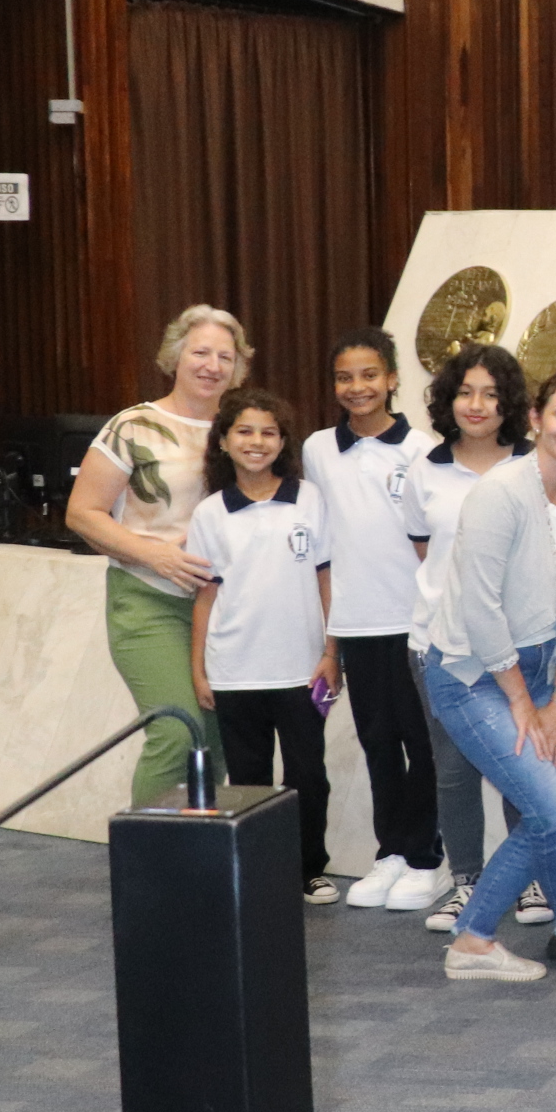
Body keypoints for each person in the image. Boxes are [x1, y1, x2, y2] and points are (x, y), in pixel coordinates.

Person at [424, 369, 556, 987]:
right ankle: (482, 939)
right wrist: (523, 705)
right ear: (535, 418)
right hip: (472, 674)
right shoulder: (500, 493)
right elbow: (480, 611)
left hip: (541, 673)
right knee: (554, 809)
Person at [65, 305, 247, 803]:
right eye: (201, 352)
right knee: (176, 730)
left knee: (217, 738)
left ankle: (199, 855)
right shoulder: (133, 426)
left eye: (225, 356)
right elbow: (82, 514)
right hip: (148, 602)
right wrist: (155, 556)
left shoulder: (244, 429)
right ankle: (149, 867)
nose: (212, 365)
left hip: (222, 609)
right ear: (175, 357)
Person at [303, 328, 441, 912]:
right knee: (378, 742)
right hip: (356, 624)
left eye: (368, 375)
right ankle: (390, 852)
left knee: (423, 742)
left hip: (414, 623)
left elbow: (434, 545)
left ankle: (425, 857)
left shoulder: (424, 449)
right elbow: (325, 549)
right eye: (344, 377)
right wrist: (331, 644)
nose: (356, 387)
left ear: (390, 379)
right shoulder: (316, 450)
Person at [184, 387, 337, 903]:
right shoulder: (209, 513)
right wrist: (200, 670)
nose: (257, 441)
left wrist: (331, 653)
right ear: (224, 441)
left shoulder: (308, 499)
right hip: (234, 672)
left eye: (268, 432)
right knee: (249, 783)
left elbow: (326, 582)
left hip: (302, 671)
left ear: (282, 442)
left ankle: (307, 869)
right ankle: (257, 873)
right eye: (244, 431)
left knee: (307, 778)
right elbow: (206, 596)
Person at [408, 343, 533, 934]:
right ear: (448, 400)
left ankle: (528, 879)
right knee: (453, 771)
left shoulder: (534, 466)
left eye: (490, 392)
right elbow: (425, 550)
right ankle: (466, 882)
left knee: (519, 767)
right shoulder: (425, 468)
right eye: (464, 392)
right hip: (440, 648)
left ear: (509, 401)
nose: (477, 405)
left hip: (518, 645)